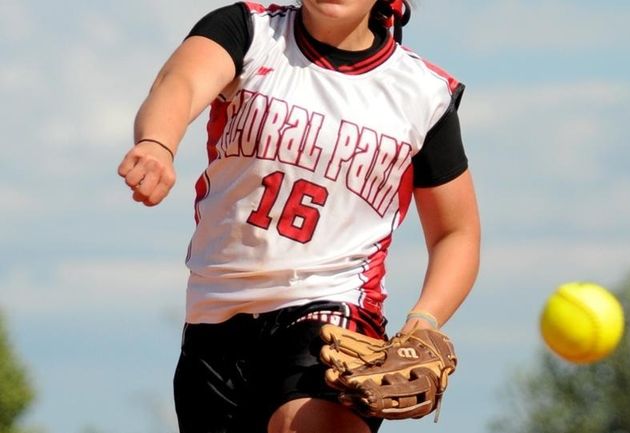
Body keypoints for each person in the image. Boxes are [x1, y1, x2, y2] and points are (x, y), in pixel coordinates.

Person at [117, 1, 480, 432]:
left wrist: (425, 319)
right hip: (213, 317)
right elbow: (179, 81)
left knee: (305, 423)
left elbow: (456, 233)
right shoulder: (250, 31)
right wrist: (158, 143)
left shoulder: (422, 93)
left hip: (333, 309)